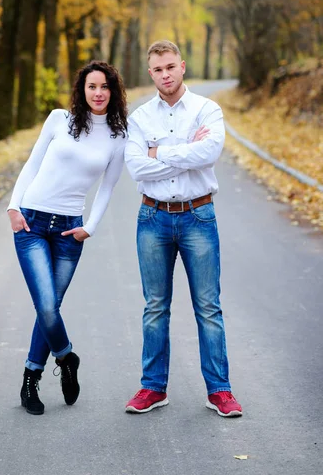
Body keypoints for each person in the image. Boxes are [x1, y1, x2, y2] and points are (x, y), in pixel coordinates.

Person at [124, 40, 242, 417]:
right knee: (155, 307)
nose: (165, 74)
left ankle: (219, 391)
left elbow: (208, 153)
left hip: (198, 217)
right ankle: (153, 388)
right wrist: (183, 154)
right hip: (152, 219)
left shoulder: (207, 109)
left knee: (208, 307)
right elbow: (136, 168)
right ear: (150, 73)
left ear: (183, 66)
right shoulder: (140, 118)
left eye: (170, 66)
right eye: (158, 69)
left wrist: (159, 152)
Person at [8, 61, 127, 415]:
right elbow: (32, 163)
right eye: (92, 86)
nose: (98, 93)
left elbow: (108, 187)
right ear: (82, 89)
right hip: (31, 222)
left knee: (49, 308)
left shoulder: (118, 135)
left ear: (114, 91)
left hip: (68, 232)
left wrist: (90, 226)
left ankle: (31, 376)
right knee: (45, 305)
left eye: (105, 87)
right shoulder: (59, 119)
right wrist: (14, 207)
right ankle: (66, 356)